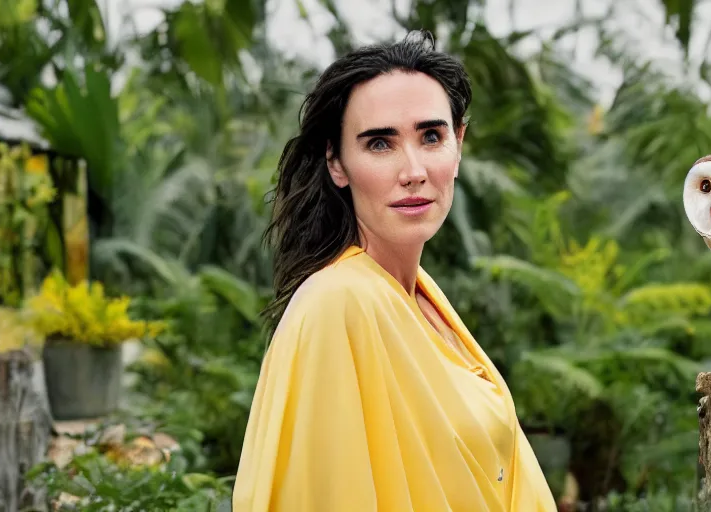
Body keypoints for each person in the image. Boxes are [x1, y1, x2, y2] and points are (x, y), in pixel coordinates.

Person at [232, 30, 557, 512]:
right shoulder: (337, 303)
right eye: (380, 143)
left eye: (431, 136)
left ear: (458, 143)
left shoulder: (421, 298)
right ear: (337, 163)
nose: (413, 170)